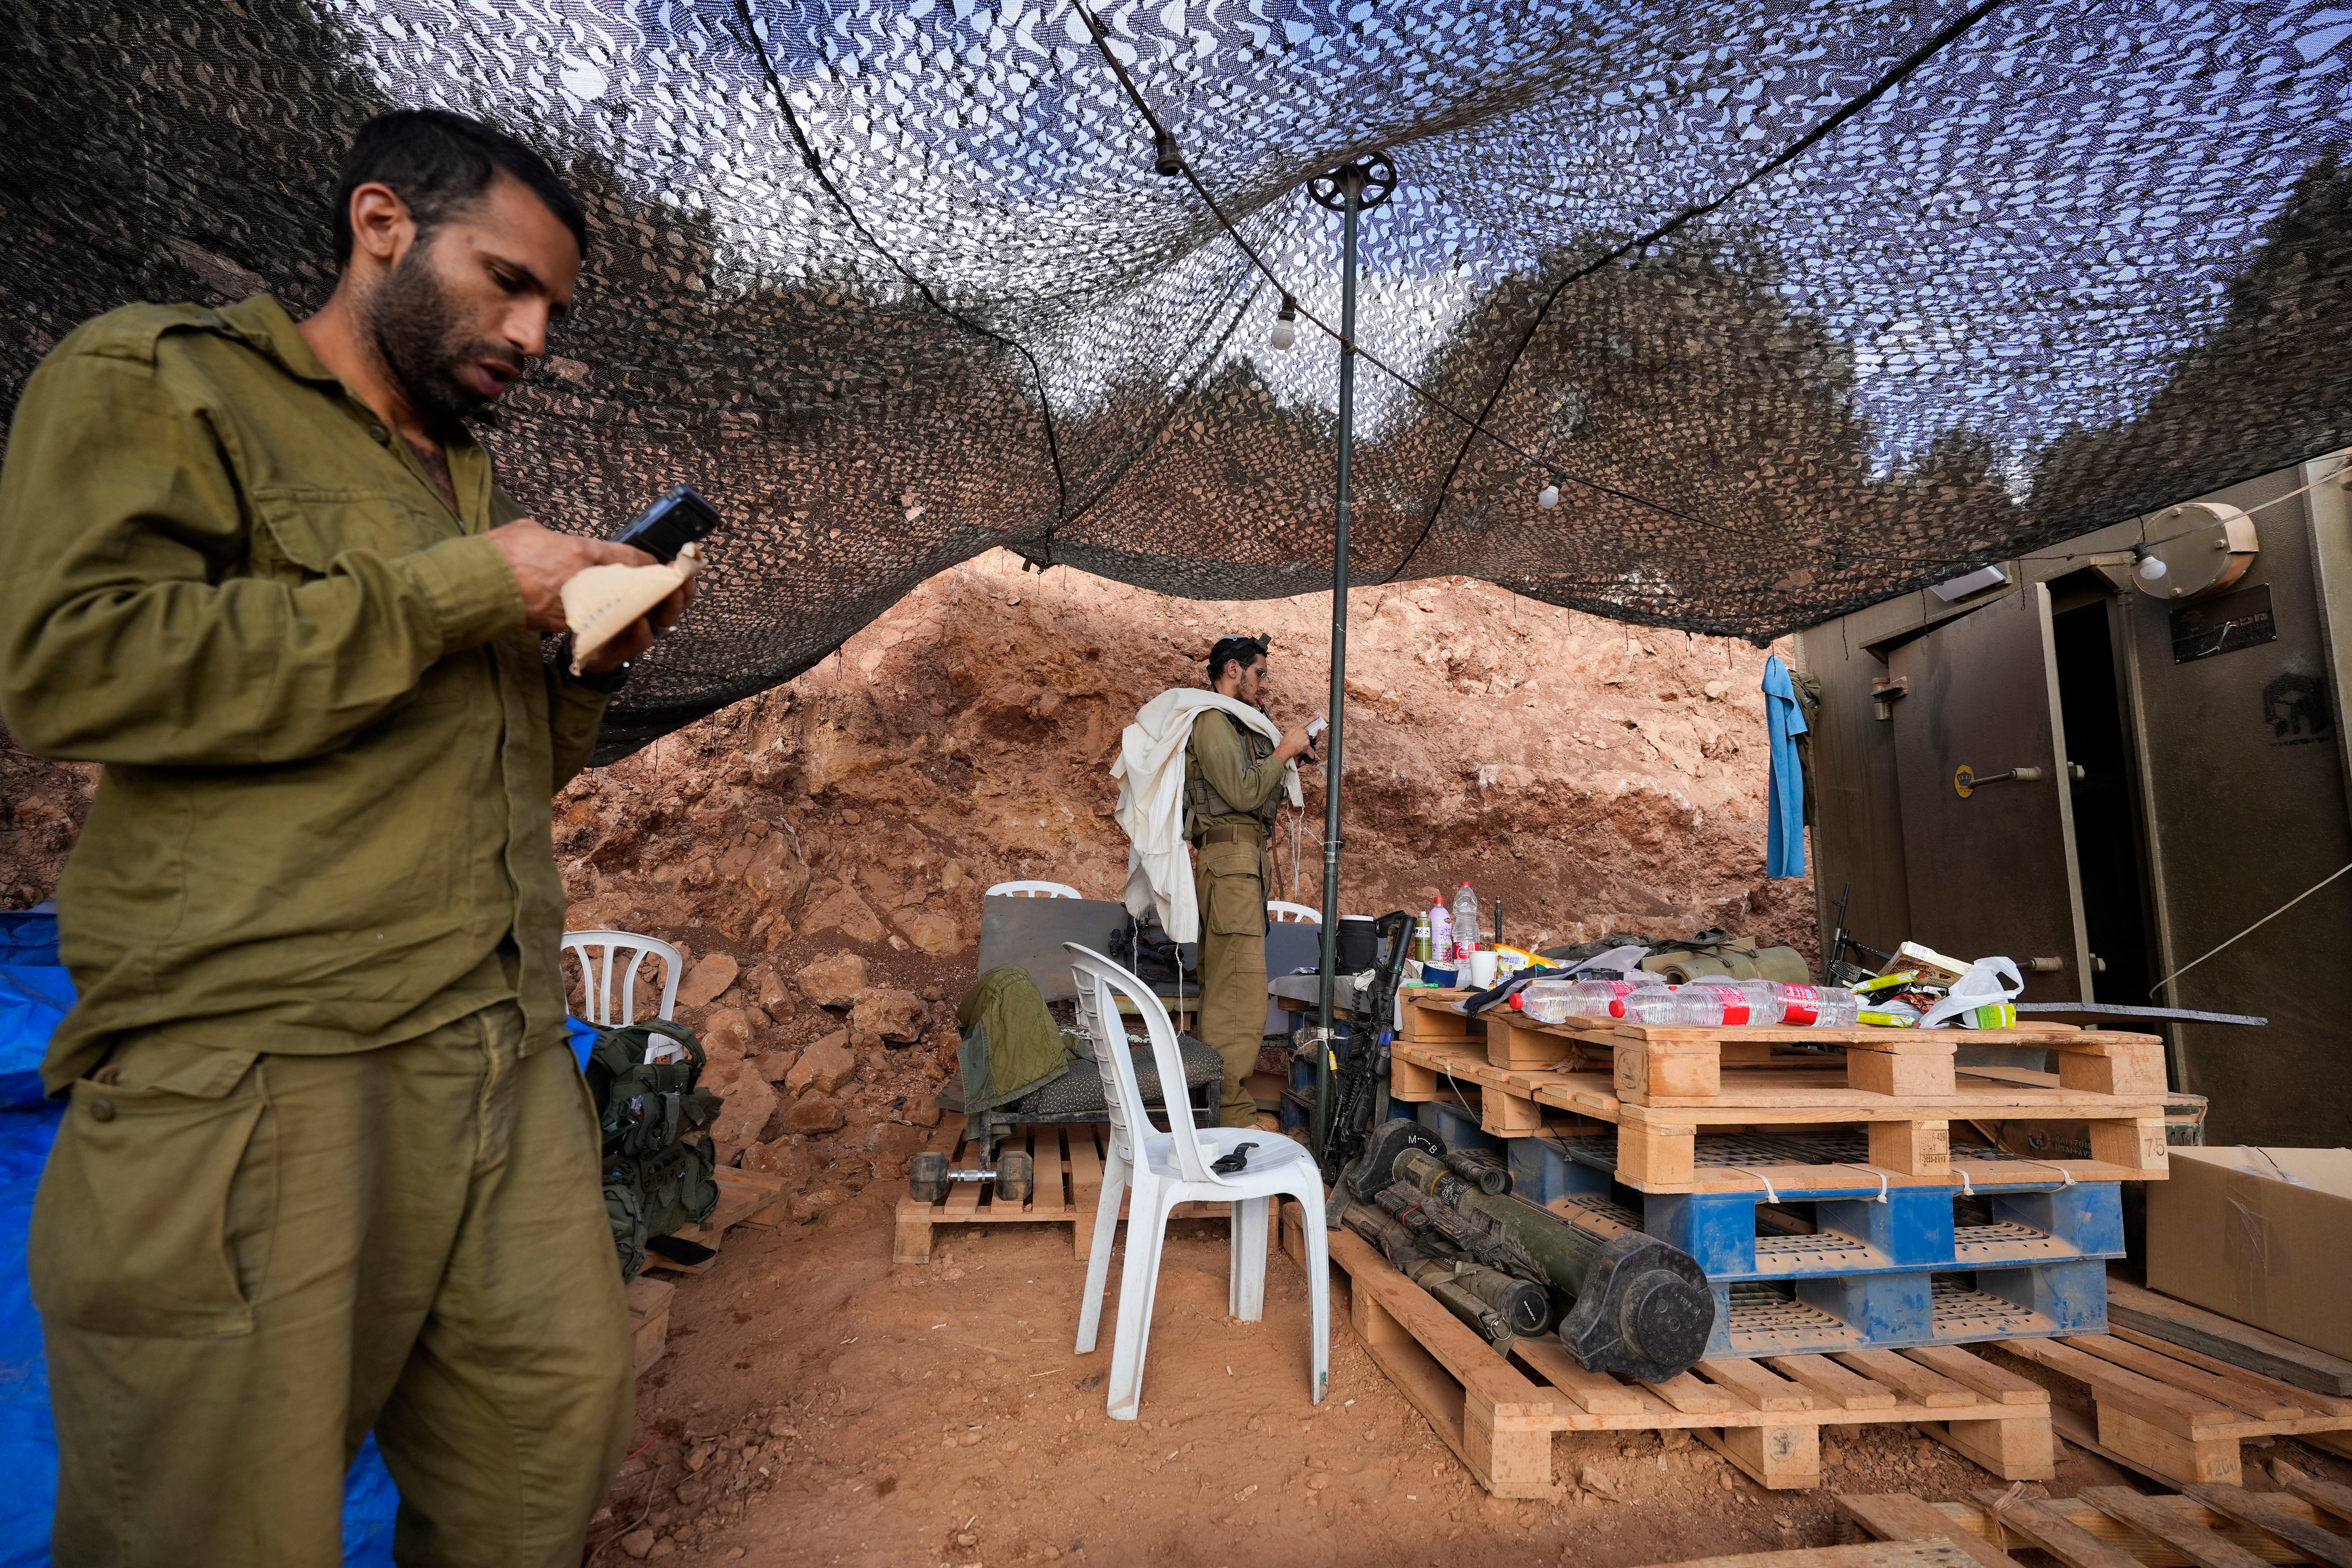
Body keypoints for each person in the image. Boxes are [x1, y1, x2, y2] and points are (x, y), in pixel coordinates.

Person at [0, 109, 692, 1567]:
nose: (535, 333)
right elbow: (73, 665)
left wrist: (595, 661)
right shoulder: (162, 381)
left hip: (498, 1055)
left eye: (554, 307)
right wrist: (457, 592)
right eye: (508, 283)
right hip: (275, 1064)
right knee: (215, 1517)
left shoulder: (461, 482)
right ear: (383, 224)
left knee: (545, 1446)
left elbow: (491, 762)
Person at [1185, 636, 1314, 1127]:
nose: (1265, 686)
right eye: (1260, 674)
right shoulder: (1213, 721)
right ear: (1234, 670)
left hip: (1242, 863)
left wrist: (1284, 755)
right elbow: (1241, 790)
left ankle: (1214, 1101)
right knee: (1238, 989)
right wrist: (1282, 751)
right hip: (1231, 862)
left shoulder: (1238, 724)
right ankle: (1232, 1112)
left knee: (1227, 985)